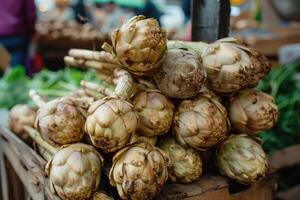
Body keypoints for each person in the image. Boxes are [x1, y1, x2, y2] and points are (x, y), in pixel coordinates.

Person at [0, 0, 36, 68]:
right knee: (17, 70)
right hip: (18, 35)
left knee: (3, 69)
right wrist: (32, 33)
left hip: (2, 35)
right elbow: (31, 15)